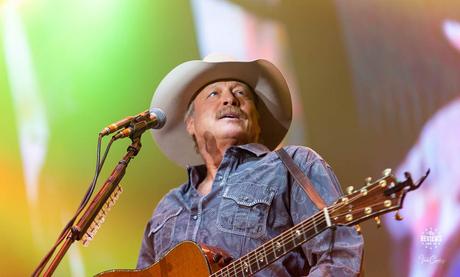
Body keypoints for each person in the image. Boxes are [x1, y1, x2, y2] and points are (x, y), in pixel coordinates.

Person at [137, 55, 363, 276]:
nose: (229, 100)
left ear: (258, 119)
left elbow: (340, 257)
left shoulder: (293, 165)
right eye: (214, 93)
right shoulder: (166, 208)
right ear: (190, 123)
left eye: (240, 93)